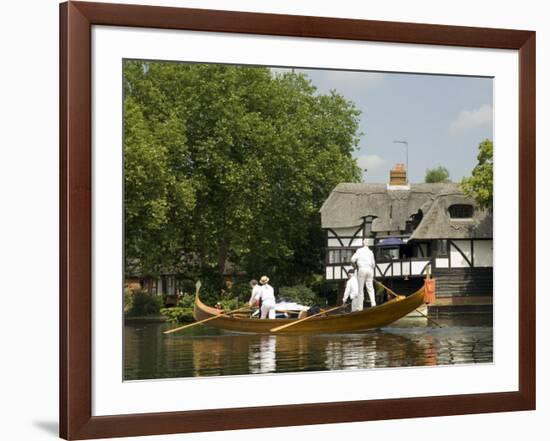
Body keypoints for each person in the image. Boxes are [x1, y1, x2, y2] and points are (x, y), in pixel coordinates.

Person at [350, 238, 376, 309]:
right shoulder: (371, 252)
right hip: (370, 270)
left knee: (361, 289)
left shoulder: (359, 251)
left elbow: (352, 259)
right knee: (370, 288)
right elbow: (373, 264)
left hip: (362, 269)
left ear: (363, 243)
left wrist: (355, 266)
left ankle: (360, 307)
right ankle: (373, 303)